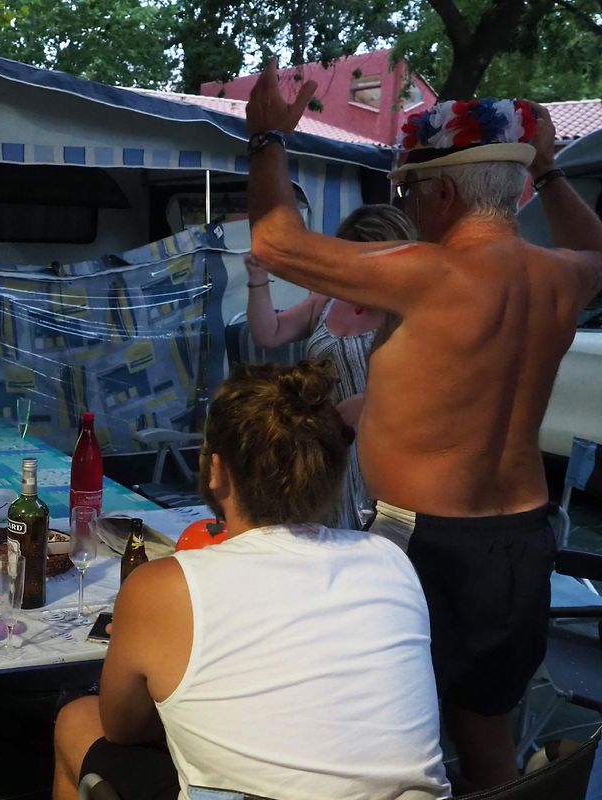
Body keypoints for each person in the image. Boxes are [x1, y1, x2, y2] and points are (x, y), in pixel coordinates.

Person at [244, 60, 602, 788]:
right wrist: (549, 170)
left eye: (408, 190)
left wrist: (266, 143)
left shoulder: (430, 272)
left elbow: (275, 243)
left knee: (383, 737)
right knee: (486, 738)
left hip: (425, 544)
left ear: (442, 193)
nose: (406, 205)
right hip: (521, 540)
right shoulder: (559, 275)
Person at [53, 360, 449, 800]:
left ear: (216, 470)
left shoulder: (161, 586)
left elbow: (122, 728)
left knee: (77, 720)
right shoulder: (391, 561)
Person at [245, 204, 418, 529]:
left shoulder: (409, 311)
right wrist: (258, 279)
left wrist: (371, 403)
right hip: (329, 453)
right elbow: (268, 332)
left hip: (384, 453)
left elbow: (430, 387)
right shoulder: (328, 300)